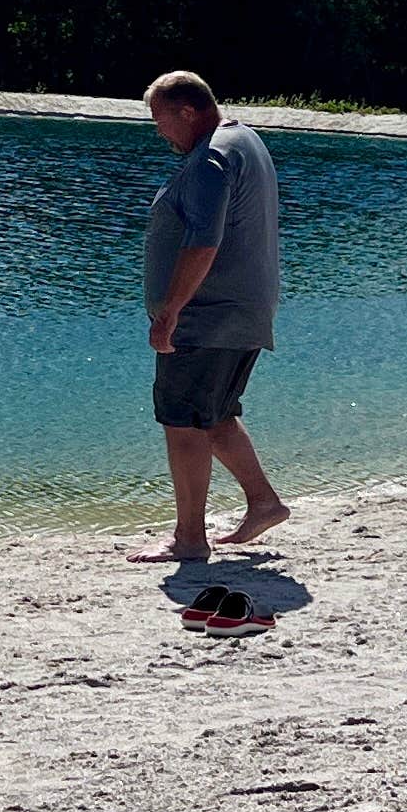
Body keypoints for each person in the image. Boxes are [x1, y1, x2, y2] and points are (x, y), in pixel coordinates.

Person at [130, 71, 289, 564]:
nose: (160, 133)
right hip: (242, 313)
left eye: (161, 121)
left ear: (188, 111)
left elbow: (204, 240)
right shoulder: (245, 139)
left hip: (207, 319)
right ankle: (264, 503)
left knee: (183, 423)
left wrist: (170, 312)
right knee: (216, 416)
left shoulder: (212, 159)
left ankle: (189, 539)